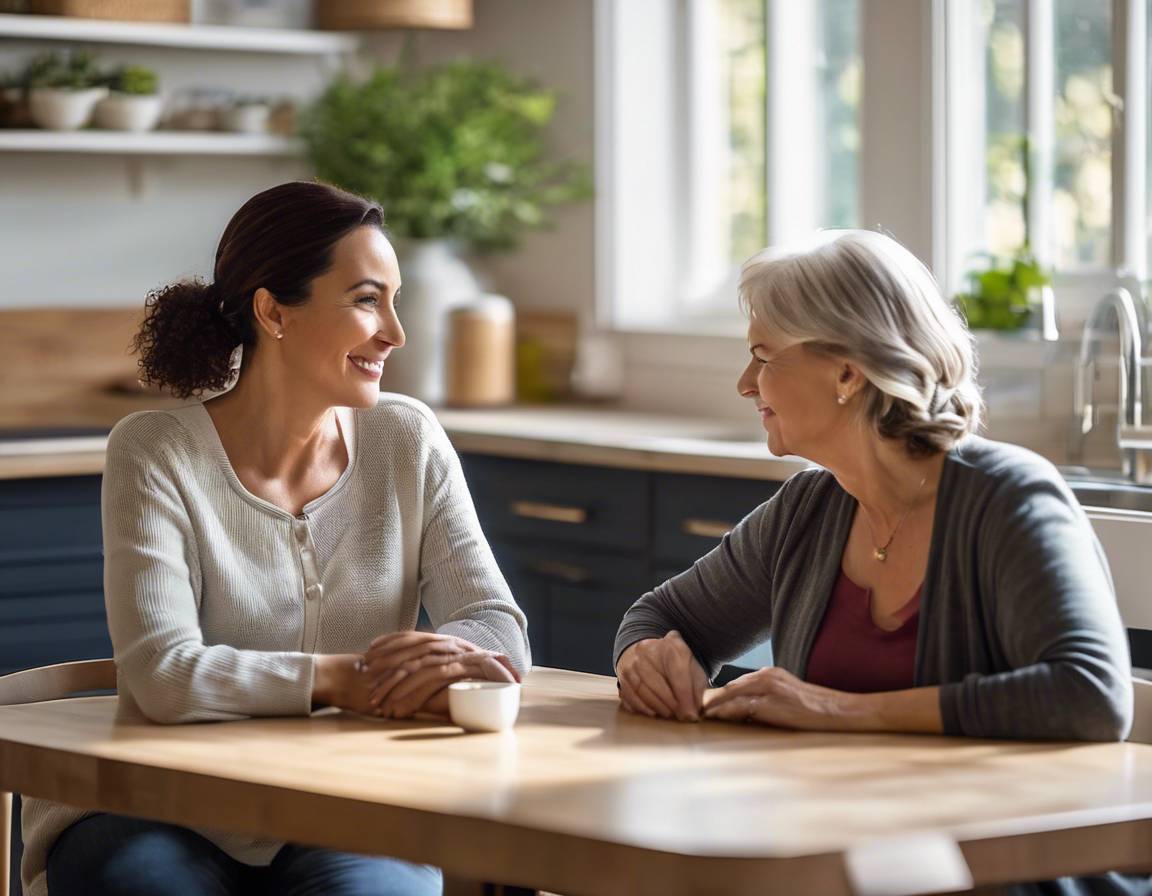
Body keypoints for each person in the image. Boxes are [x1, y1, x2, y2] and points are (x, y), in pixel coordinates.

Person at [22, 181, 530, 896]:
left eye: (394, 298)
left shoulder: (406, 438)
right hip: (156, 809)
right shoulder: (156, 451)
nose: (396, 331)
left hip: (346, 806)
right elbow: (165, 675)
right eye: (364, 299)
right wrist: (348, 680)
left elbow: (499, 626)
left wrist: (454, 657)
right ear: (273, 312)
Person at [613, 230, 1140, 894]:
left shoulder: (1006, 496)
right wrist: (651, 658)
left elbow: (1089, 698)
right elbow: (661, 615)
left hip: (999, 876)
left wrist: (838, 711)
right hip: (847, 862)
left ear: (846, 371)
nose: (746, 383)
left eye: (762, 355)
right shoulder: (809, 508)